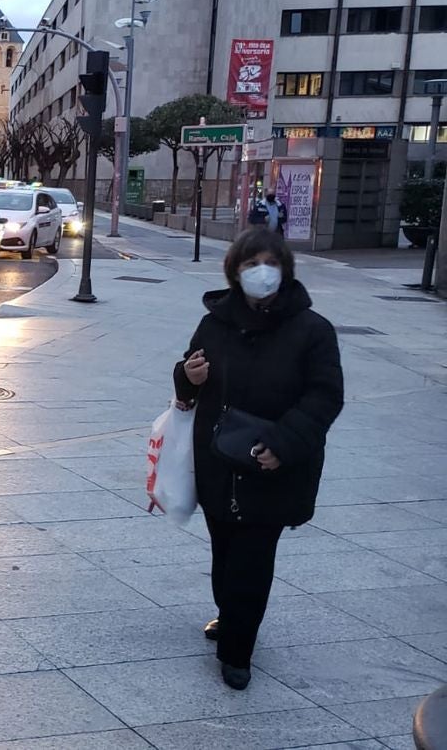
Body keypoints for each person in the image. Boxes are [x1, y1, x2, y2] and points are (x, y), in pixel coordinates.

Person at [173, 228, 343, 691]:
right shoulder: (216, 322)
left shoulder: (313, 331)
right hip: (218, 463)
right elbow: (189, 375)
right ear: (235, 272)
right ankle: (230, 617)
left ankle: (237, 651)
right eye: (250, 265)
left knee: (252, 560)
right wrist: (186, 376)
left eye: (269, 263)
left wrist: (284, 444)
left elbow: (324, 398)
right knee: (224, 554)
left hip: (272, 469)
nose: (260, 273)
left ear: (285, 269)